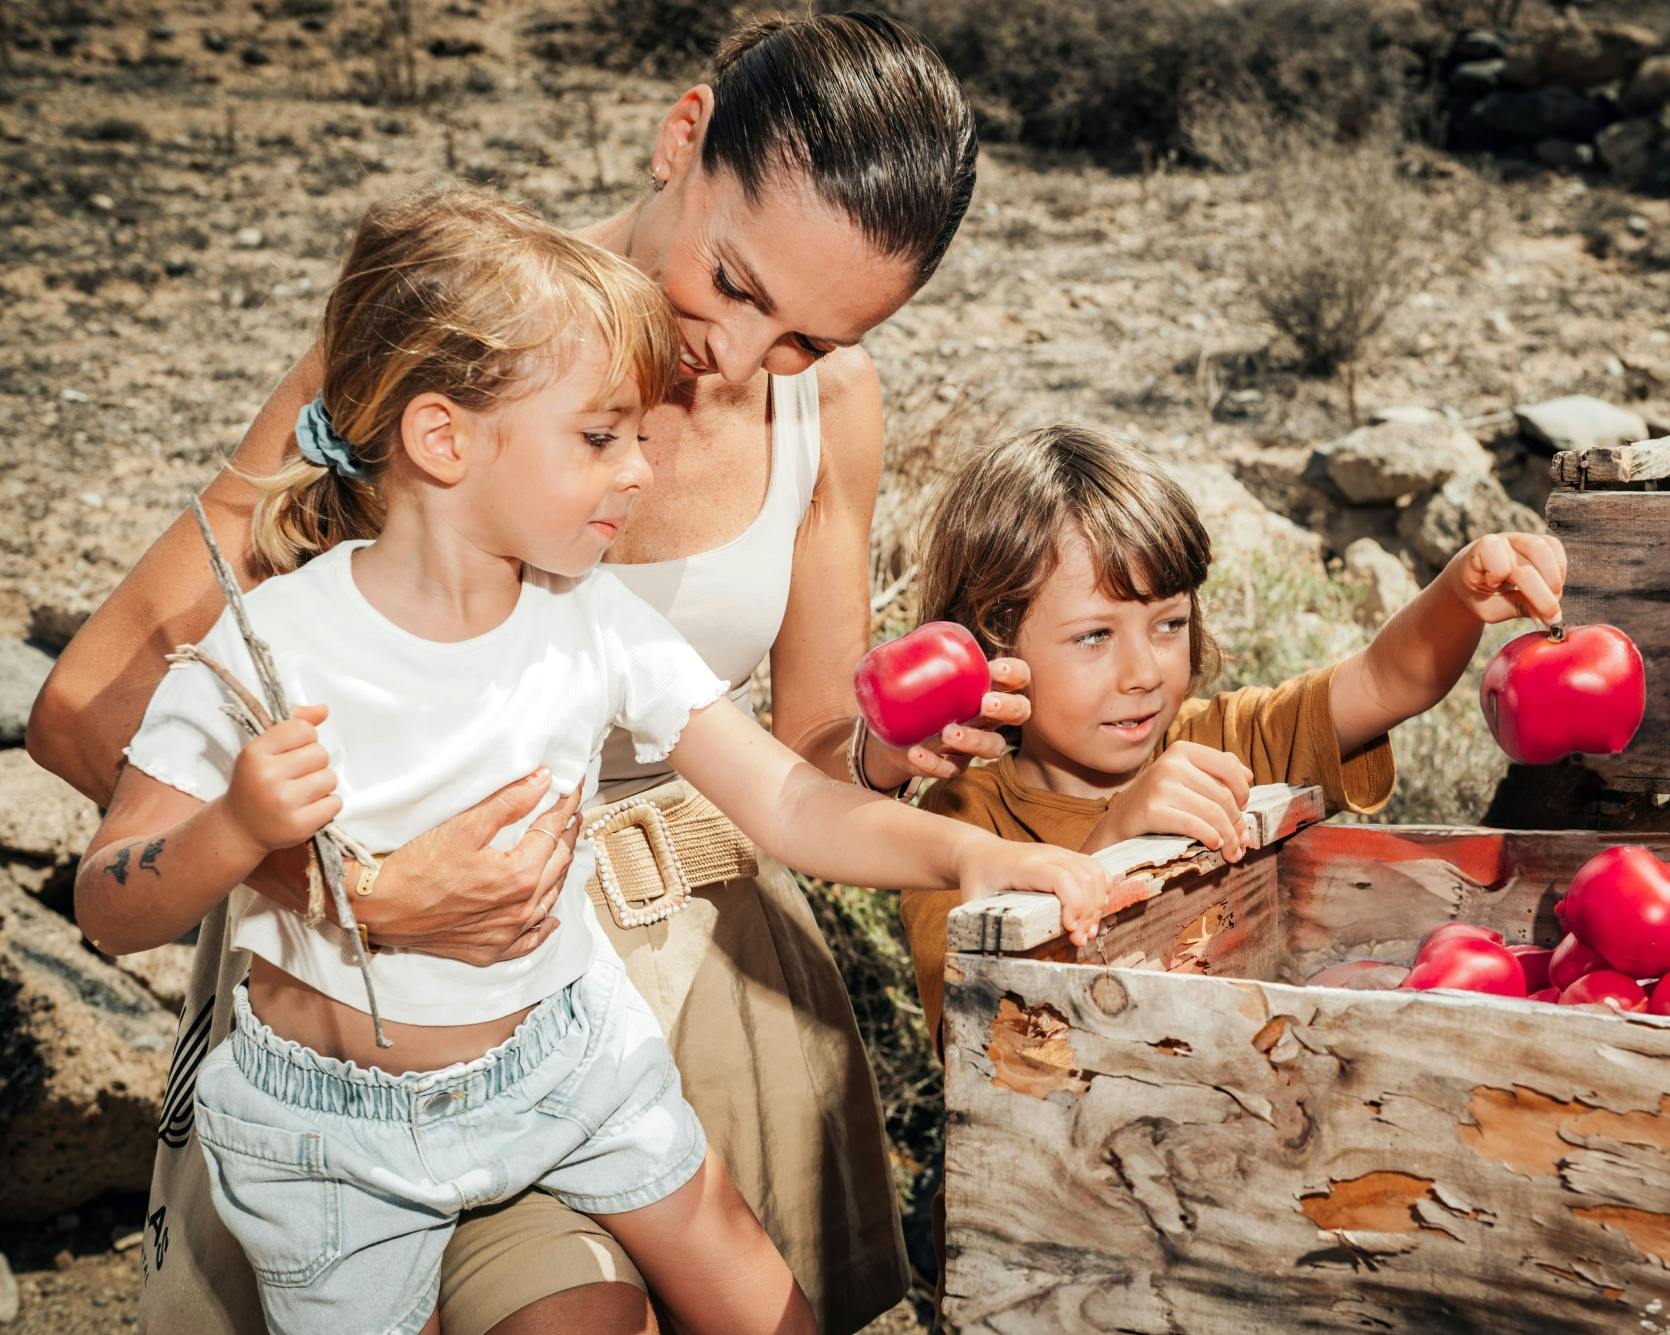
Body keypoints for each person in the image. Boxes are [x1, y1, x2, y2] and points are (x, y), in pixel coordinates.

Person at [29, 13, 1000, 1333]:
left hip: (695, 991)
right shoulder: (458, 338)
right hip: (380, 1016)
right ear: (682, 138)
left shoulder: (830, 406)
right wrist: (355, 892)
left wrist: (887, 756)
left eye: (806, 341)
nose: (737, 358)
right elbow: (91, 694)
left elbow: (809, 760)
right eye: (736, 282)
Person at [899, 423, 1569, 1048]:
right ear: (993, 645)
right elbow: (982, 1042)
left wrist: (1457, 595)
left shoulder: (1225, 745)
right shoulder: (957, 827)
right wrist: (1117, 846)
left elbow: (1384, 681)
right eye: (1095, 635)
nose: (1144, 672)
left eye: (1168, 623)